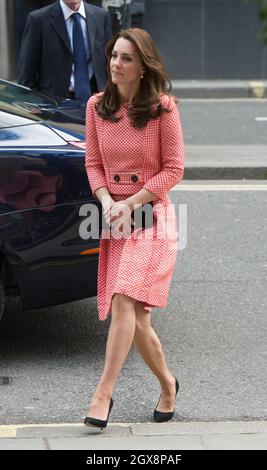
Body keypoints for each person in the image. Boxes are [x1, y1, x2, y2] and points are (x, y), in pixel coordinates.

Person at [84, 28, 184, 429]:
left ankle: (102, 394)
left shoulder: (162, 108)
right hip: (115, 216)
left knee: (124, 299)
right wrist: (108, 202)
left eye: (126, 58)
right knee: (138, 319)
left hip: (151, 215)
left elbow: (174, 169)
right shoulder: (96, 107)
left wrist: (130, 202)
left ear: (143, 67)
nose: (116, 65)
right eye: (113, 56)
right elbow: (93, 164)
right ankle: (168, 384)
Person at [17, 0, 112, 102]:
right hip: (53, 101)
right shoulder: (38, 19)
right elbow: (27, 71)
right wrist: (31, 103)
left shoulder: (101, 16)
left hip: (96, 98)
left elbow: (109, 60)